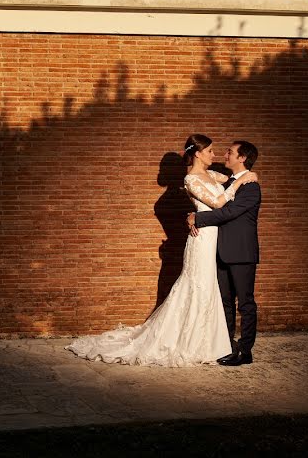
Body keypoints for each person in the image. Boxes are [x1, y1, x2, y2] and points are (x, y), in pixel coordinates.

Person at [66, 134, 257, 367]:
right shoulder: (191, 179)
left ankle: (216, 343)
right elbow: (218, 203)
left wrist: (246, 177)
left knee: (211, 292)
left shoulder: (214, 175)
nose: (215, 155)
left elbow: (227, 183)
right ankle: (191, 341)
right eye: (210, 151)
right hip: (202, 240)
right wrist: (237, 183)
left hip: (215, 241)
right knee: (198, 288)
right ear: (197, 153)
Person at [187, 140, 261, 367]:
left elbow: (227, 212)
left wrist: (197, 218)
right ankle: (227, 347)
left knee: (245, 303)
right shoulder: (229, 181)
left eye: (230, 152)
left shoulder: (250, 186)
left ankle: (245, 351)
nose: (224, 155)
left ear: (242, 158)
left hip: (241, 252)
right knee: (225, 303)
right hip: (219, 251)